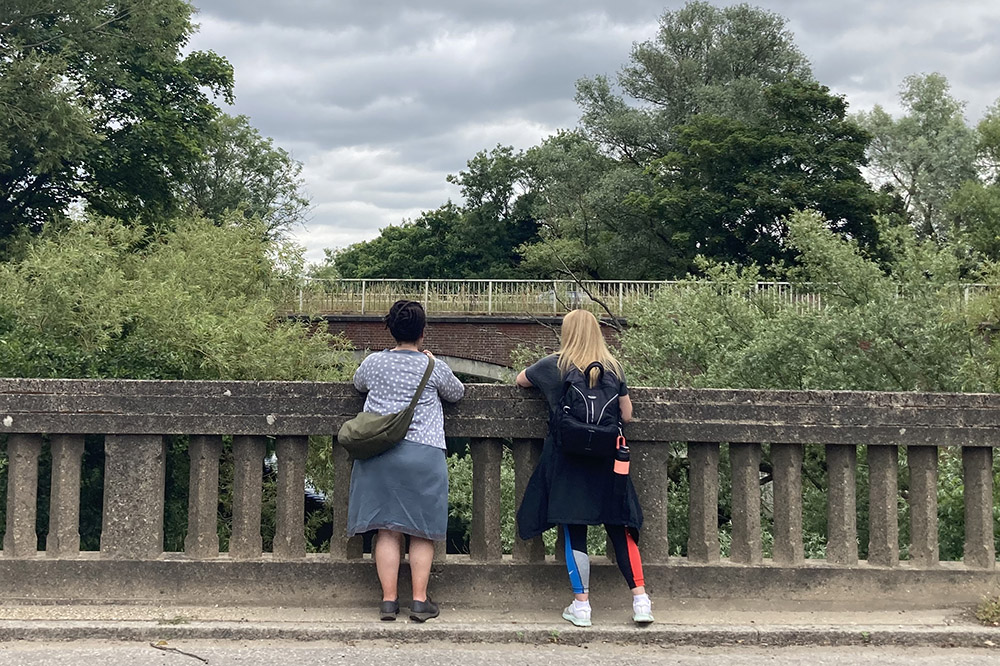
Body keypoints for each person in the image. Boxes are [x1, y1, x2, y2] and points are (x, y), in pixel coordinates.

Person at [515, 309, 653, 627]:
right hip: (607, 460)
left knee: (573, 527)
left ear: (567, 333)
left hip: (568, 459)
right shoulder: (613, 367)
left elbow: (520, 381)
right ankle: (641, 601)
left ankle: (582, 605)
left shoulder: (554, 365)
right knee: (620, 525)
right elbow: (627, 415)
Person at [347, 300, 465, 622]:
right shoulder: (433, 367)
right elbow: (457, 393)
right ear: (423, 333)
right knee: (421, 531)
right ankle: (419, 601)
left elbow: (358, 384)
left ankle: (388, 602)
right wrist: (434, 361)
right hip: (423, 453)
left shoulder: (374, 363)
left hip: (379, 454)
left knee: (385, 530)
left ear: (390, 330)